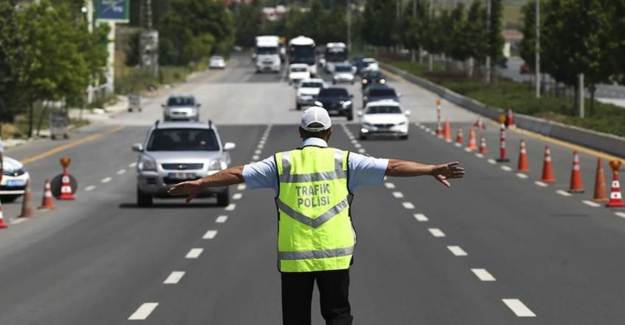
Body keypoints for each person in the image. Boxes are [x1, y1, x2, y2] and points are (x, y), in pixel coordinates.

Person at [168, 106, 465, 325]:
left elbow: (237, 173)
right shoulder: (345, 160)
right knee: (338, 314)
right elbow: (392, 166)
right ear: (329, 133)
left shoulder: (281, 163)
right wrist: (431, 169)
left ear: (300, 133)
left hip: (295, 256)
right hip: (335, 254)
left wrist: (201, 182)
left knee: (296, 319)